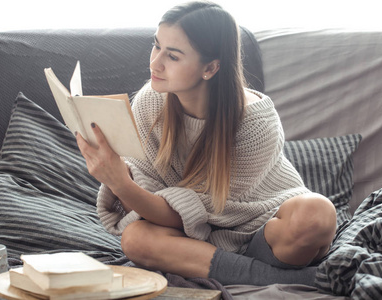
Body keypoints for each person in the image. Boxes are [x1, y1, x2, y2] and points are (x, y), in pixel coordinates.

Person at [76, 0, 337, 286]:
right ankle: (283, 278)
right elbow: (150, 193)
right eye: (156, 45)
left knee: (317, 214)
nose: (155, 63)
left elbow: (199, 213)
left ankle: (251, 269)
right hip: (190, 238)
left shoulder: (256, 122)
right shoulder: (150, 101)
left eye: (172, 56)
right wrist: (119, 180)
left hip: (260, 227)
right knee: (136, 238)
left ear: (210, 68)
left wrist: (121, 184)